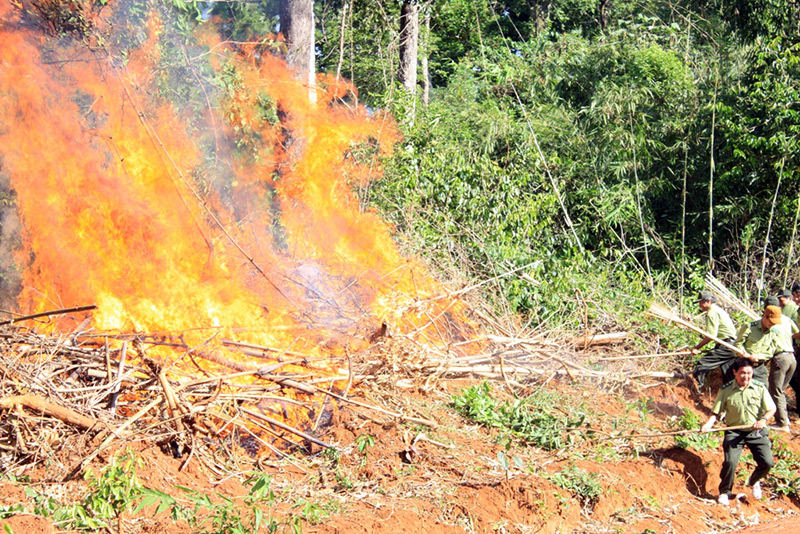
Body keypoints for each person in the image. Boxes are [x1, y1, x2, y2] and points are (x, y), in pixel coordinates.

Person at [701, 357, 776, 505]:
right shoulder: (726, 390)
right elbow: (715, 412)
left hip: (756, 432)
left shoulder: (759, 388)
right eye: (742, 373)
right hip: (735, 432)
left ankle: (754, 481)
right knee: (730, 462)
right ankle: (724, 492)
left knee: (767, 462)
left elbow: (771, 408)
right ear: (735, 372)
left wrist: (763, 420)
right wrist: (708, 425)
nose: (746, 377)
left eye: (749, 373)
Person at [690, 291, 738, 390]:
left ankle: (694, 391)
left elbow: (711, 336)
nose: (700, 306)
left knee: (702, 364)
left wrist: (696, 347)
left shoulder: (712, 313)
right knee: (728, 373)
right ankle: (731, 394)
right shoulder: (719, 310)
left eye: (701, 303)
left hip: (726, 345)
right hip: (731, 345)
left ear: (708, 301)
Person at [733, 301, 782, 385]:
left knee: (763, 390)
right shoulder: (749, 327)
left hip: (759, 367)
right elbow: (738, 343)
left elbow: (770, 352)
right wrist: (743, 352)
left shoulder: (774, 333)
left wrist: (759, 356)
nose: (772, 325)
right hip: (744, 365)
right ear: (764, 316)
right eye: (771, 322)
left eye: (774, 323)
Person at [769, 294, 798, 431]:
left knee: (776, 390)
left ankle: (782, 423)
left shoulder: (768, 320)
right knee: (780, 390)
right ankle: (782, 416)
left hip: (780, 358)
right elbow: (797, 332)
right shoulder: (786, 319)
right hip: (792, 356)